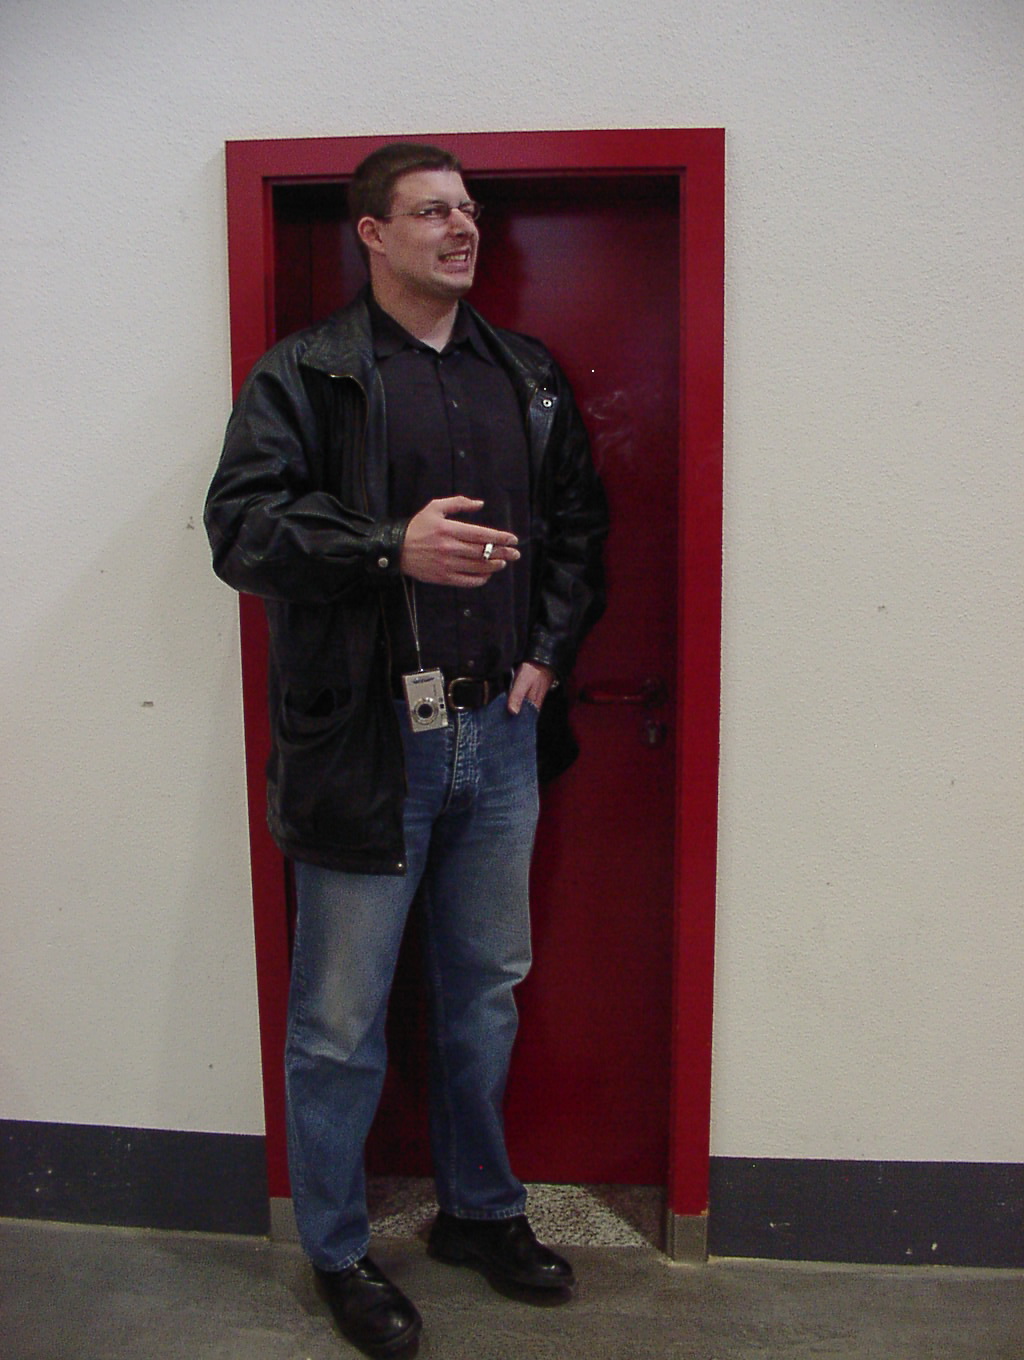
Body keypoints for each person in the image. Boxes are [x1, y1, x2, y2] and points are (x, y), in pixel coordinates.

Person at [205, 142, 608, 1359]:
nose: (461, 227)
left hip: (501, 732)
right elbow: (241, 530)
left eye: (469, 210)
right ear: (371, 233)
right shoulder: (309, 374)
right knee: (339, 1021)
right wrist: (390, 547)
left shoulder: (524, 374)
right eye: (432, 211)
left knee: (483, 994)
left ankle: (478, 1214)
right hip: (367, 744)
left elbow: (577, 526)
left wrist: (547, 646)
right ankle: (336, 1248)